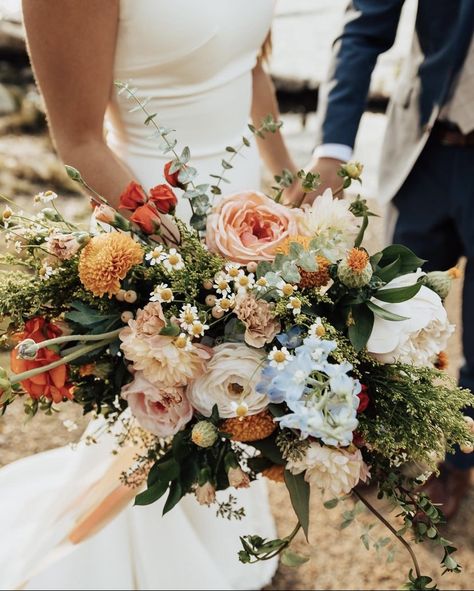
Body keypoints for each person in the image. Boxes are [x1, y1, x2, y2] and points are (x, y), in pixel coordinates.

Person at [0, 1, 298, 589]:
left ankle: (220, 547)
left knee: (230, 405)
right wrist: (184, 263)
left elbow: (247, 66)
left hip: (251, 222)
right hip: (152, 230)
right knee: (161, 415)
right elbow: (78, 140)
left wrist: (288, 185)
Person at [298, 0, 474, 518]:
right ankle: (374, 443)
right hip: (425, 150)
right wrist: (332, 148)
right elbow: (363, 28)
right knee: (385, 320)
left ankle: (458, 462)